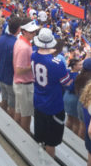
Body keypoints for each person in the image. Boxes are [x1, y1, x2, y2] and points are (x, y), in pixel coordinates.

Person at [30, 27, 72, 157]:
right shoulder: (57, 62)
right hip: (53, 106)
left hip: (38, 101)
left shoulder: (33, 55)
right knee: (51, 142)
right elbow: (68, 83)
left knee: (40, 137)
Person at [13, 20, 40, 132]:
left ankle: (18, 134)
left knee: (19, 111)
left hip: (20, 83)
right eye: (31, 32)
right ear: (24, 31)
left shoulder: (21, 42)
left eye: (34, 31)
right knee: (26, 115)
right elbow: (19, 70)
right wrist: (33, 65)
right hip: (24, 84)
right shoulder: (24, 47)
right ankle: (25, 135)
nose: (34, 33)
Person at [0, 16, 23, 121]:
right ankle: (8, 125)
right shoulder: (16, 44)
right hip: (10, 79)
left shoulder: (0, 38)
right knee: (12, 106)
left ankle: (1, 120)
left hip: (1, 75)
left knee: (4, 99)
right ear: (18, 29)